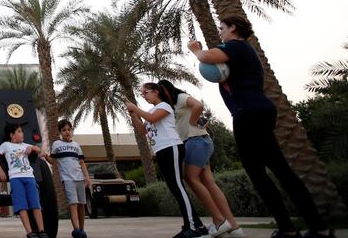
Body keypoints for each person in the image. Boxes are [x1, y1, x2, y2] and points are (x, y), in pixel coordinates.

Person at [188, 15, 334, 238]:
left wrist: (197, 50)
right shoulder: (242, 52)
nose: (221, 32)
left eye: (223, 28)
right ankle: (308, 227)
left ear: (233, 28)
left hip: (249, 113)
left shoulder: (237, 46)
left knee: (261, 174)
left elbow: (208, 57)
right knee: (277, 170)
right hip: (257, 110)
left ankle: (303, 229)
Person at [158, 79, 243, 238]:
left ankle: (219, 221)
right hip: (199, 141)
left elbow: (199, 105)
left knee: (191, 178)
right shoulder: (171, 107)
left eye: (161, 91)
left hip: (195, 142)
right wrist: (198, 123)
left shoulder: (181, 98)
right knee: (208, 182)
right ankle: (233, 226)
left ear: (166, 89)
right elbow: (203, 120)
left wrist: (192, 122)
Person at [126, 84, 206, 238]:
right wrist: (133, 115)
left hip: (172, 147)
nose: (144, 95)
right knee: (175, 187)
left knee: (177, 186)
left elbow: (152, 118)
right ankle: (198, 224)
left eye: (146, 92)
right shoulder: (150, 110)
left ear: (156, 92)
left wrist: (135, 108)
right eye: (142, 93)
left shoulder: (165, 106)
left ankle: (191, 226)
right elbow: (143, 131)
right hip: (161, 150)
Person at [0, 123, 48, 238]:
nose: (22, 133)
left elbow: (38, 149)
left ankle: (42, 231)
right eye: (19, 131)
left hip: (29, 177)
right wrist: (0, 170)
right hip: (15, 178)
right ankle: (30, 232)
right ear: (12, 135)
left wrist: (31, 147)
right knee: (22, 205)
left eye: (21, 131)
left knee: (35, 204)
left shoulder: (25, 145)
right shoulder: (6, 145)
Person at [47, 119, 91, 238]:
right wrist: (46, 156)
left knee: (82, 204)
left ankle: (82, 229)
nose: (67, 132)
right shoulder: (57, 144)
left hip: (80, 178)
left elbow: (81, 163)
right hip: (67, 179)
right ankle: (76, 230)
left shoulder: (76, 146)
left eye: (69, 129)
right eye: (64, 130)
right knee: (73, 203)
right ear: (60, 132)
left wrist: (87, 177)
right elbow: (53, 160)